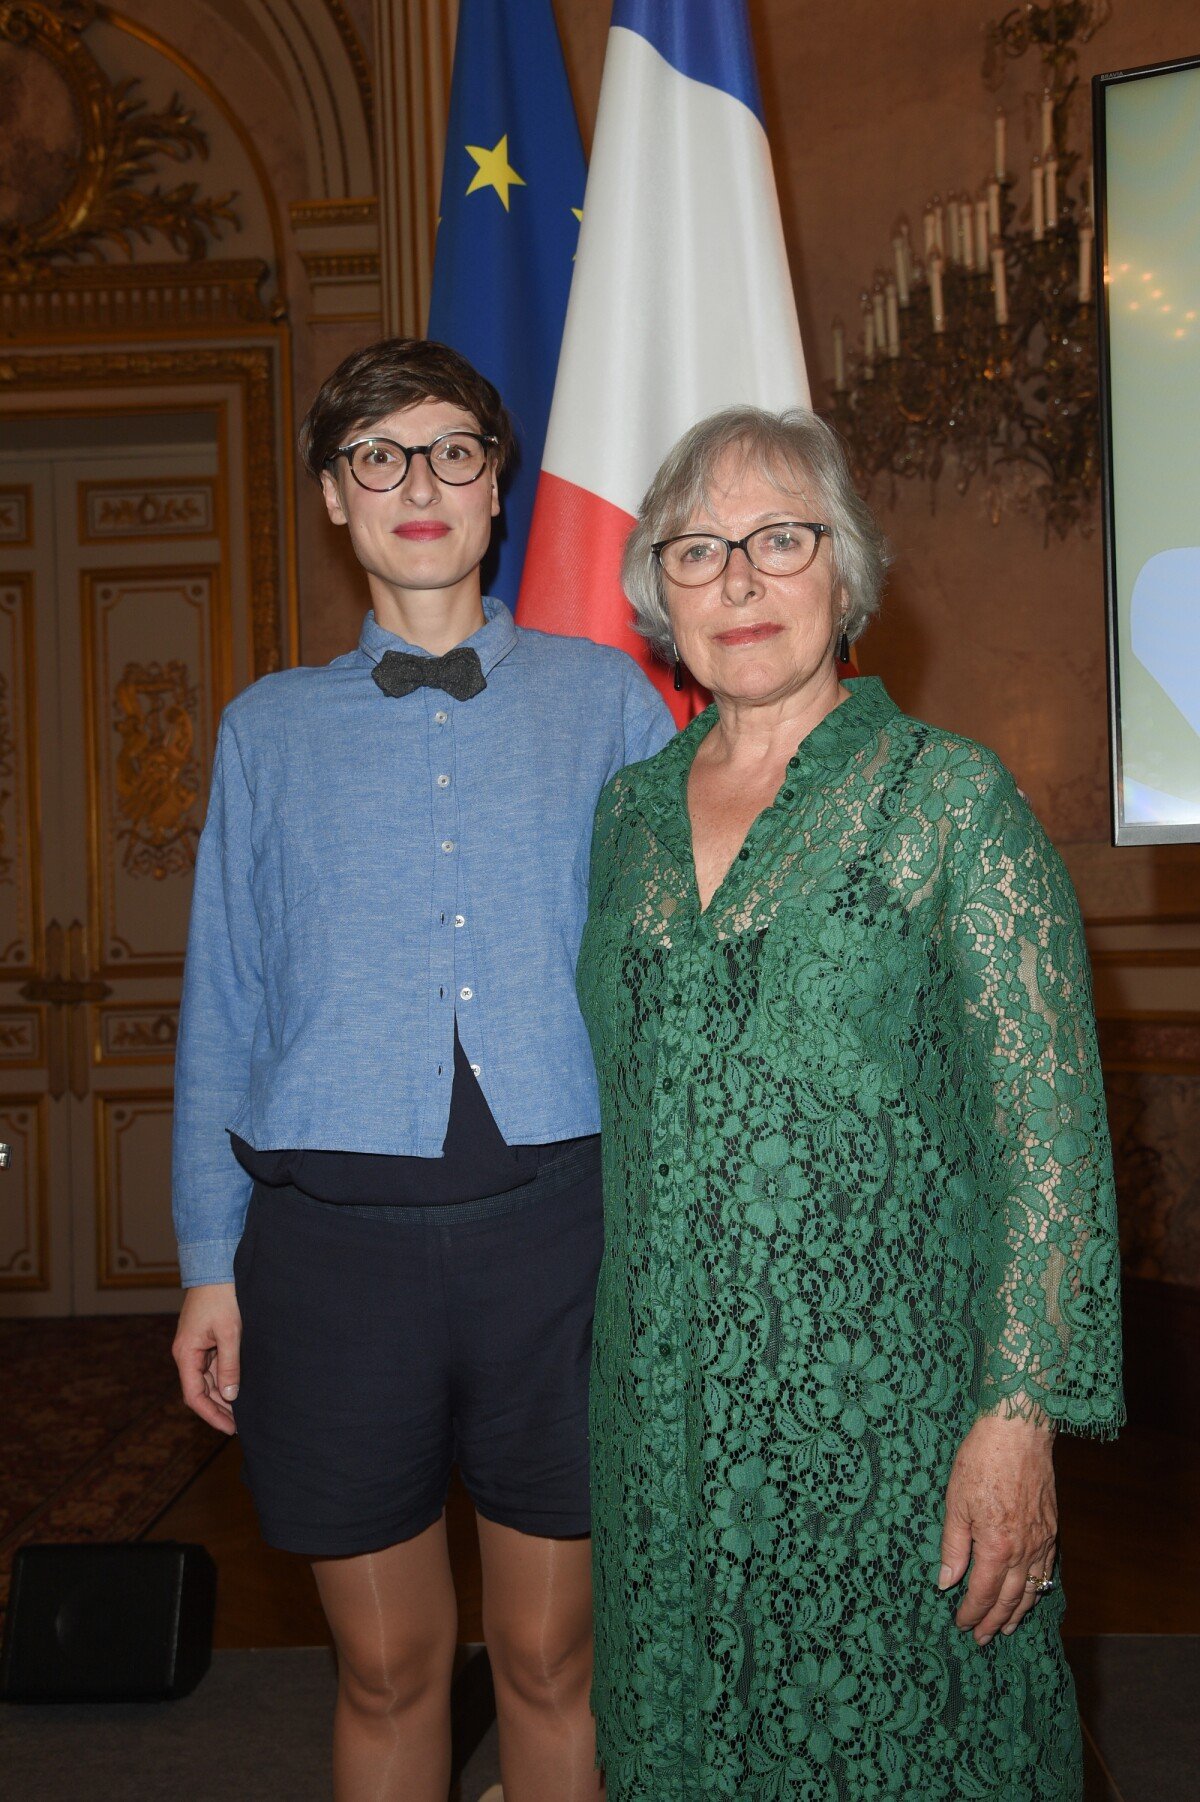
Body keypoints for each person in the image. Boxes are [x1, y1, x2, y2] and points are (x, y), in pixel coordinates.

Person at [575, 405, 1124, 1800]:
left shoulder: (952, 802)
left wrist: (1016, 1415)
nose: (740, 580)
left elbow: (1047, 1134)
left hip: (887, 1424)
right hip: (663, 1416)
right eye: (697, 551)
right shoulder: (628, 815)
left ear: (846, 568)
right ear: (658, 594)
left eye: (780, 538)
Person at [170, 338, 674, 1802]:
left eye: (453, 450)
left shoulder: (609, 703)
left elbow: (677, 972)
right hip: (330, 1264)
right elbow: (228, 1005)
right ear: (335, 495)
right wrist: (213, 1261)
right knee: (388, 1670)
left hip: (564, 1243)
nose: (418, 484)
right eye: (377, 456)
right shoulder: (264, 732)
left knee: (553, 1663)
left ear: (498, 486)